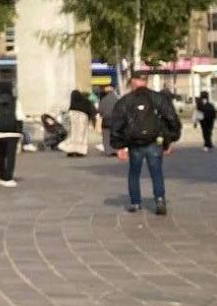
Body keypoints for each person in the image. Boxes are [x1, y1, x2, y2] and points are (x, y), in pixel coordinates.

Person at [108, 72, 182, 215]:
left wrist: (118, 146)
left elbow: (117, 123)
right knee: (156, 171)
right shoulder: (158, 98)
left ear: (133, 81)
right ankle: (160, 199)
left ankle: (135, 202)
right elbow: (171, 118)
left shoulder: (125, 101)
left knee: (134, 172)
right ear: (146, 81)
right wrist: (170, 139)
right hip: (154, 141)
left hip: (134, 143)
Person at [0, 86, 22, 187]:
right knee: (11, 156)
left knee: (0, 155)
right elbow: (19, 116)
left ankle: (1, 176)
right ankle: (8, 177)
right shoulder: (15, 101)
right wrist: (20, 131)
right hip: (13, 132)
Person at [63, 88, 96, 156]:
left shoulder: (73, 104)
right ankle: (80, 151)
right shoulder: (85, 101)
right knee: (82, 135)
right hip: (83, 119)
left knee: (73, 136)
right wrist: (92, 121)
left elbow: (68, 114)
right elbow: (91, 111)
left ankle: (71, 150)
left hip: (73, 120)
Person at [95, 84, 119, 153]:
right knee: (115, 136)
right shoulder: (117, 99)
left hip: (106, 121)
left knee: (106, 136)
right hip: (115, 120)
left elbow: (100, 111)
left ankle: (109, 150)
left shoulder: (103, 100)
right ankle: (115, 149)